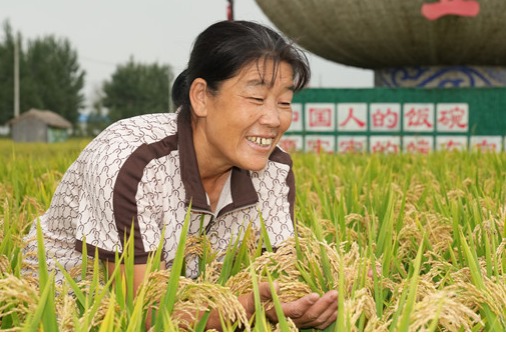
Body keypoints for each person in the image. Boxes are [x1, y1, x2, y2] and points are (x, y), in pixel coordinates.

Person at [22, 20, 338, 330]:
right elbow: (145, 315)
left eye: (284, 102)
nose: (274, 119)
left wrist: (295, 305)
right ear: (201, 97)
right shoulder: (130, 159)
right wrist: (245, 308)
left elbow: (276, 274)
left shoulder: (274, 169)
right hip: (67, 302)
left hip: (198, 298)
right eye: (256, 98)